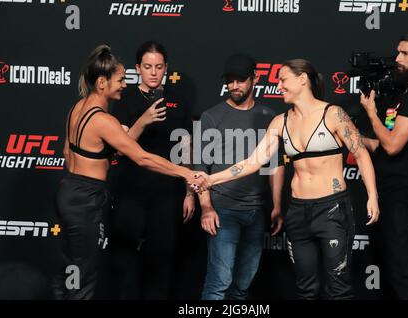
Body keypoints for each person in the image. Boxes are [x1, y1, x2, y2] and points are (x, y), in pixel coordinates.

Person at [195, 58, 380, 299]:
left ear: (302, 79)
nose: (278, 86)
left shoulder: (333, 113)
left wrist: (372, 196)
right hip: (298, 213)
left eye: (282, 80)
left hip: (332, 209)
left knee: (338, 289)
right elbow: (252, 162)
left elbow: (361, 154)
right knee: (306, 289)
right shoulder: (279, 122)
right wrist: (211, 179)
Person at [54, 44, 206, 300]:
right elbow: (143, 158)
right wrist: (186, 173)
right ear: (102, 83)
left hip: (69, 191)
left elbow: (67, 153)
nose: (125, 85)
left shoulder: (77, 108)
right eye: (120, 80)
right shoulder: (104, 120)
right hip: (87, 198)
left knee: (71, 269)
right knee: (85, 275)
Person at [108, 40, 195, 299]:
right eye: (148, 66)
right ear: (138, 68)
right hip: (131, 192)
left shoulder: (177, 102)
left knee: (161, 261)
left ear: (166, 67)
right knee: (125, 261)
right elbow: (121, 148)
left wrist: (190, 192)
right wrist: (143, 121)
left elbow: (186, 148)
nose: (154, 72)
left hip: (167, 193)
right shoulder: (124, 100)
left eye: (158, 66)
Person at [194, 53, 285, 300]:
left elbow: (274, 165)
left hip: (256, 212)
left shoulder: (269, 116)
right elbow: (200, 168)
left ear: (254, 79)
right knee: (219, 283)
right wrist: (205, 207)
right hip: (223, 211)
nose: (234, 86)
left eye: (240, 80)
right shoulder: (212, 116)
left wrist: (276, 206)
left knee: (242, 287)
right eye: (230, 81)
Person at [360, 32, 408, 299]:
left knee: (402, 274)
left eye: (405, 53)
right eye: (397, 52)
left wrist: (371, 113)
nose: (397, 59)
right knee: (392, 272)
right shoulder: (407, 93)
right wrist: (350, 135)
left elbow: (393, 145)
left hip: (404, 194)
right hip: (390, 192)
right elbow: (381, 145)